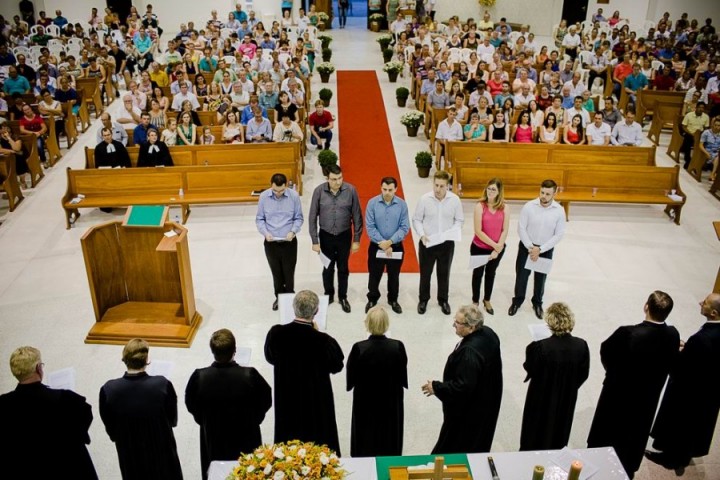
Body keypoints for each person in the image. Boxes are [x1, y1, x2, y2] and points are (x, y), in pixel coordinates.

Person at [587, 291, 680, 479]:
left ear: (646, 306)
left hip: (618, 395)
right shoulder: (672, 334)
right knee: (635, 435)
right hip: (647, 398)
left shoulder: (627, 333)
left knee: (608, 431)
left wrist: (612, 373)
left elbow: (606, 352)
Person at [646, 293, 720, 470]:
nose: (701, 302)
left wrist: (678, 353)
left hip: (690, 392)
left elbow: (683, 369)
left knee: (682, 425)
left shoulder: (702, 339)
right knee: (697, 425)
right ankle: (683, 454)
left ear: (714, 313)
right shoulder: (711, 334)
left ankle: (671, 458)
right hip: (711, 390)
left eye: (706, 303)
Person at [185, 329, 272, 480]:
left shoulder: (199, 377)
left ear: (212, 351)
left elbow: (191, 404)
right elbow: (266, 399)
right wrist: (255, 419)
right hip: (246, 434)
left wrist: (204, 420)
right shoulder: (250, 375)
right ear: (235, 351)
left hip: (213, 436)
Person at [264, 290, 344, 453]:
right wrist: (317, 332)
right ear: (316, 311)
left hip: (288, 399)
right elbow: (337, 366)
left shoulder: (276, 334)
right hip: (316, 404)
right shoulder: (324, 341)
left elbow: (270, 357)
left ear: (293, 308)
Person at [0, 346, 98, 479]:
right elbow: (85, 418)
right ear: (38, 368)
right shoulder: (65, 399)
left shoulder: (3, 403)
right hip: (67, 467)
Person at [422, 304, 502, 454]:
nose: (454, 325)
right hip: (487, 400)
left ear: (471, 327)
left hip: (469, 412)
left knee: (455, 444)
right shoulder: (489, 333)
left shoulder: (469, 353)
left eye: (457, 323)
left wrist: (437, 387)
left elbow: (462, 387)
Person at [99, 339, 183, 480]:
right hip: (161, 448)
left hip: (130, 451)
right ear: (146, 360)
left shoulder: (109, 389)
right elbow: (172, 419)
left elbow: (110, 425)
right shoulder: (162, 384)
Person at [519, 302, 590, 451]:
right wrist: (569, 386)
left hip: (540, 397)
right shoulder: (581, 345)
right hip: (567, 397)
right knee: (560, 428)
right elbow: (583, 374)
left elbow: (530, 367)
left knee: (535, 430)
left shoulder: (540, 347)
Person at [347, 306, 408, 456]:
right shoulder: (397, 346)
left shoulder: (359, 348)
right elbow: (402, 373)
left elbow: (351, 377)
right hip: (390, 398)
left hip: (365, 399)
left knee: (365, 432)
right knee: (390, 432)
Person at [309, 165, 363, 313]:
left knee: (343, 267)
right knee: (327, 267)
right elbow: (312, 216)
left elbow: (357, 216)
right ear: (327, 179)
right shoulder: (319, 191)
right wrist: (314, 241)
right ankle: (329, 294)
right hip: (325, 236)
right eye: (334, 179)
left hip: (344, 236)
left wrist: (357, 239)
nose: (338, 182)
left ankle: (343, 296)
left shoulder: (351, 190)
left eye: (340, 178)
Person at [509, 179, 566, 319]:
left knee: (541, 278)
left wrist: (540, 249)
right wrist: (531, 247)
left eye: (547, 194)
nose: (544, 196)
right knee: (521, 276)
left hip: (545, 249)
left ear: (554, 193)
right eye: (542, 192)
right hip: (526, 247)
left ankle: (537, 303)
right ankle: (517, 301)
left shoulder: (559, 211)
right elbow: (521, 228)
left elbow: (559, 234)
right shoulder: (529, 206)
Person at [412, 170, 464, 315]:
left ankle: (443, 300)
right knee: (425, 273)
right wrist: (422, 234)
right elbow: (417, 219)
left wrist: (451, 232)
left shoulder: (454, 200)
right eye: (436, 185)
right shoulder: (424, 199)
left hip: (446, 244)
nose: (438, 189)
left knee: (444, 273)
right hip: (427, 242)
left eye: (442, 186)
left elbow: (459, 220)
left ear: (447, 186)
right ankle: (423, 299)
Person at [256, 173, 304, 311]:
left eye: (281, 190)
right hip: (271, 242)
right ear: (271, 185)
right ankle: (279, 297)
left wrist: (293, 231)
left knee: (289, 272)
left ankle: (289, 297)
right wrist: (265, 233)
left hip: (289, 241)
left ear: (286, 186)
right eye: (275, 190)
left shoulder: (293, 196)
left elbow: (298, 218)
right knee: (276, 272)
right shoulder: (264, 196)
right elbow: (260, 219)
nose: (278, 193)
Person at [365, 177, 410, 314]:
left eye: (390, 190)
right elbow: (370, 226)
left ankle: (393, 299)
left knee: (394, 275)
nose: (387, 192)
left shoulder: (402, 205)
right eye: (384, 189)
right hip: (376, 245)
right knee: (374, 274)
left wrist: (390, 242)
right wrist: (382, 243)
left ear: (396, 189)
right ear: (381, 188)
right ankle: (372, 298)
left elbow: (404, 227)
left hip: (395, 246)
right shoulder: (372, 203)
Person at [471, 178, 509, 314]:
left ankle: (487, 299)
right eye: (489, 188)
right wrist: (495, 246)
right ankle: (475, 301)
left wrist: (498, 248)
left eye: (493, 189)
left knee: (491, 274)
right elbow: (478, 231)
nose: (490, 191)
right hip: (479, 247)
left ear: (499, 192)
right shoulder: (480, 206)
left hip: (497, 248)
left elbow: (505, 230)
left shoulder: (505, 207)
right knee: (478, 274)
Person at [679, 101, 710, 169]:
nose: (701, 109)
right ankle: (688, 160)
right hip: (690, 134)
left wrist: (702, 134)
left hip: (700, 135)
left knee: (707, 143)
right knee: (687, 142)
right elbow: (684, 126)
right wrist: (691, 134)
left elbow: (706, 128)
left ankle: (701, 163)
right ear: (696, 108)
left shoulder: (706, 117)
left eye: (703, 108)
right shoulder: (689, 115)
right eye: (699, 107)